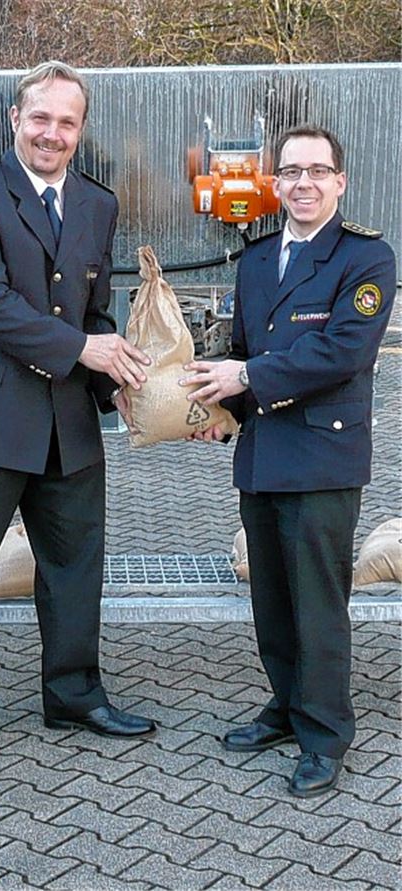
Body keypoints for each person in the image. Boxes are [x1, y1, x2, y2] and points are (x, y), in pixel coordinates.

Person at [0, 61, 156, 774]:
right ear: (15, 120)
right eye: (41, 118)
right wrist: (86, 347)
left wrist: (113, 378)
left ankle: (74, 694)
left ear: (80, 131)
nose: (52, 133)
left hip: (67, 418)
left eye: (67, 122)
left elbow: (94, 308)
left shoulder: (96, 202)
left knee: (77, 568)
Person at [180, 124, 396, 798]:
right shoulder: (255, 260)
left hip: (323, 456)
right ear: (274, 185)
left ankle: (326, 731)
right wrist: (222, 415)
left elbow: (341, 353)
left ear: (340, 181)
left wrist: (244, 379)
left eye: (317, 171)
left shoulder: (367, 258)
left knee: (318, 603)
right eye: (292, 171)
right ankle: (285, 704)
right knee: (272, 599)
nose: (304, 182)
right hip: (264, 453)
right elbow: (246, 349)